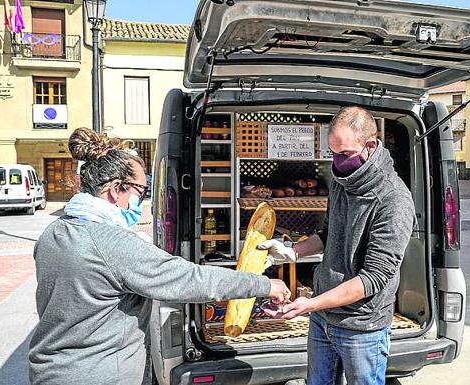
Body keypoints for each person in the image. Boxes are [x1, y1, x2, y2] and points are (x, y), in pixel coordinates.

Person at [29, 128, 290, 385]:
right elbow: (190, 280)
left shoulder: (54, 233)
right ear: (115, 188)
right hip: (98, 374)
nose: (141, 201)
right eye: (140, 192)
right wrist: (264, 284)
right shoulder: (112, 244)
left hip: (49, 371)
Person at [259, 106, 415, 385]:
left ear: (370, 145)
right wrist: (292, 251)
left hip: (360, 326)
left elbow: (373, 278)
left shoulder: (394, 201)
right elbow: (330, 233)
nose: (338, 162)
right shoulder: (342, 182)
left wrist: (309, 305)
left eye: (345, 154)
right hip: (323, 318)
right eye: (332, 153)